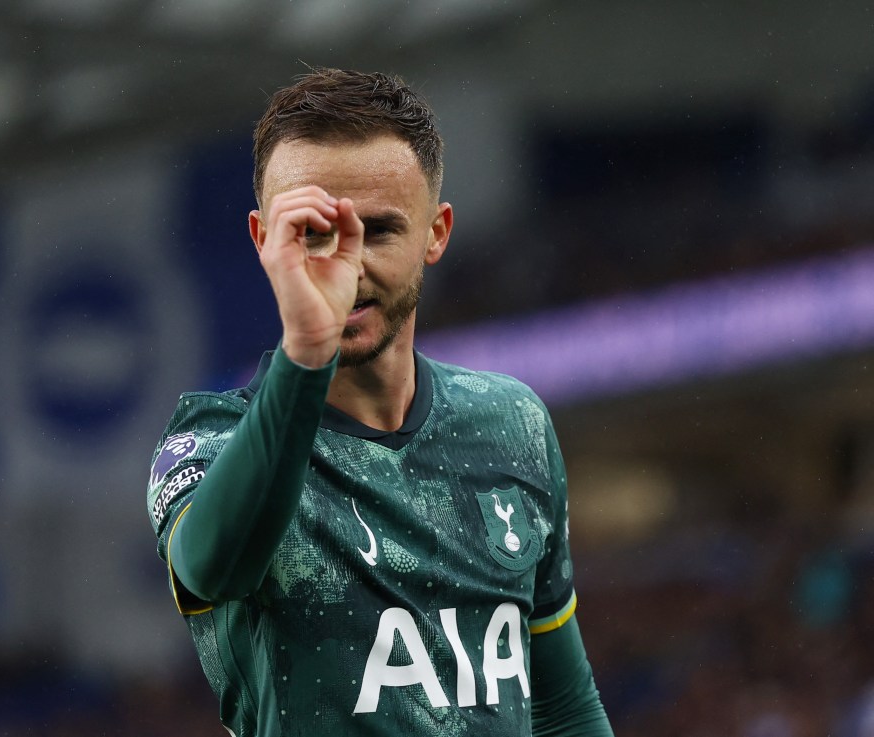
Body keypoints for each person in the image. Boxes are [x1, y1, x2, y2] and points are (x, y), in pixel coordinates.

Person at [146, 67, 614, 736]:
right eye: (316, 232)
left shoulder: (512, 424)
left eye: (381, 230)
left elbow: (565, 708)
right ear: (263, 241)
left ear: (437, 232)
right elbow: (215, 566)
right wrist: (308, 349)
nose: (349, 266)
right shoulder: (208, 442)